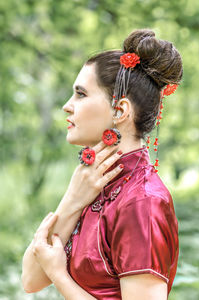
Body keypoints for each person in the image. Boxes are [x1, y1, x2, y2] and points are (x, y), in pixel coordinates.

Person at [22, 29, 183, 300]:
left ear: (119, 110)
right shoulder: (93, 182)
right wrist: (73, 198)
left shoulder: (142, 202)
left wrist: (60, 276)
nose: (67, 106)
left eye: (81, 94)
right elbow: (30, 279)